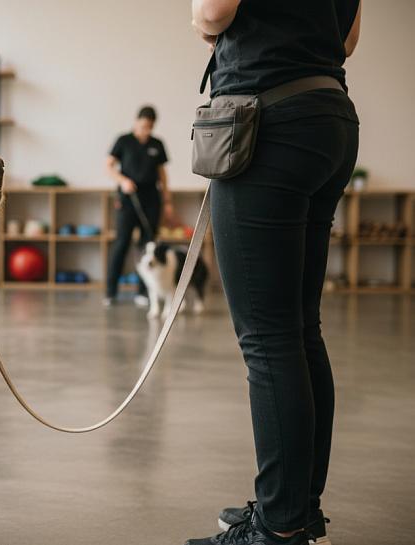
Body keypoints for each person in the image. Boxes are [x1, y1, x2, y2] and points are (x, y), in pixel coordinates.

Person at [185, 1, 361, 545]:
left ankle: (280, 527)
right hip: (328, 117)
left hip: (267, 121)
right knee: (300, 332)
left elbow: (213, 10)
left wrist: (203, 23)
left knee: (270, 338)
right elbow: (347, 39)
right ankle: (294, 509)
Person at [103, 106, 173, 307]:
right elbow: (108, 166)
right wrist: (123, 180)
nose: (146, 130)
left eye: (150, 127)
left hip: (151, 198)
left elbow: (162, 174)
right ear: (136, 121)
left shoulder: (157, 144)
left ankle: (143, 292)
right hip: (128, 198)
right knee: (122, 243)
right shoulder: (123, 141)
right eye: (143, 126)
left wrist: (167, 201)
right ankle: (110, 292)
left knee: (147, 245)